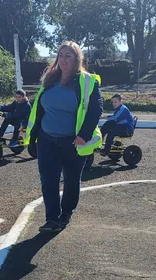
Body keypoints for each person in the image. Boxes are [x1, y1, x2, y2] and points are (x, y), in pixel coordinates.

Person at [23, 41, 103, 233]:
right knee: (48, 180)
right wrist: (33, 136)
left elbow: (95, 110)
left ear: (77, 59)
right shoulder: (50, 80)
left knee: (71, 179)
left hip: (73, 142)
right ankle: (52, 219)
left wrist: (83, 135)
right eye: (61, 55)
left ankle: (65, 214)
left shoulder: (87, 81)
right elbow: (39, 110)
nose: (64, 59)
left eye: (69, 55)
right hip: (47, 139)